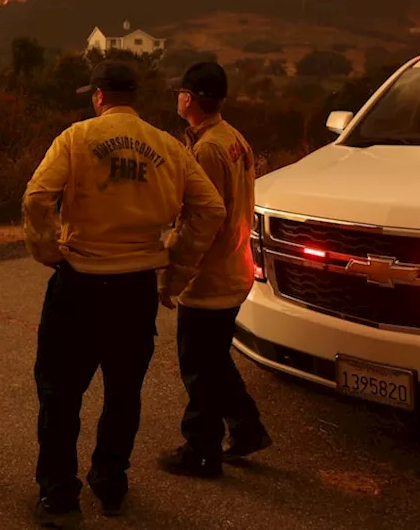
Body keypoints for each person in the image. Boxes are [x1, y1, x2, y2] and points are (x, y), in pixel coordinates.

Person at [22, 60, 226, 526]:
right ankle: (110, 483)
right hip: (135, 288)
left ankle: (58, 497)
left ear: (98, 96)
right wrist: (175, 272)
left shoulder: (75, 139)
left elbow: (36, 197)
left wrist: (48, 251)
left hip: (79, 283)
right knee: (123, 392)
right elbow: (209, 209)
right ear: (132, 97)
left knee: (59, 393)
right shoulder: (169, 146)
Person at [157, 61, 272, 479]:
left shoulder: (206, 149)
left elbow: (202, 219)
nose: (177, 99)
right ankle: (247, 429)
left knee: (199, 367)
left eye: (180, 93)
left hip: (210, 279)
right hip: (233, 269)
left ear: (191, 99)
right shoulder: (231, 137)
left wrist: (173, 276)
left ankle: (200, 451)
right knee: (215, 360)